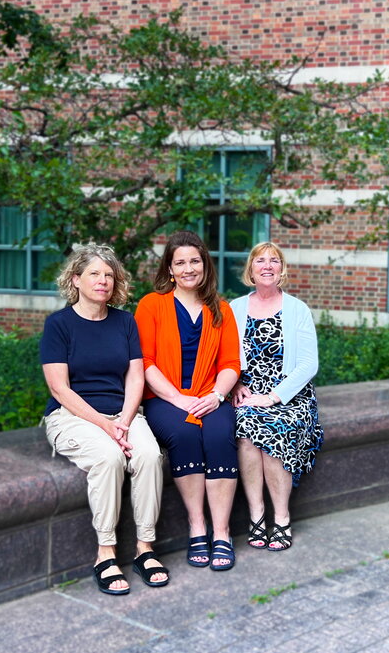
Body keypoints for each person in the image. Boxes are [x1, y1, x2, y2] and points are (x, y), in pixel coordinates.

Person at [40, 244, 168, 596]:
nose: (103, 280)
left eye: (109, 275)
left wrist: (125, 420)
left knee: (148, 456)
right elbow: (59, 388)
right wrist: (104, 424)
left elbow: (135, 378)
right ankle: (106, 552)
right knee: (109, 458)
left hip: (124, 414)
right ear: (76, 279)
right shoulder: (59, 325)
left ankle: (145, 548)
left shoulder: (125, 322)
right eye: (95, 273)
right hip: (74, 416)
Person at [134, 231, 241, 571]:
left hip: (211, 396)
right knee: (184, 435)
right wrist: (178, 398)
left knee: (219, 435)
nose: (188, 268)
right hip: (165, 398)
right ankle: (198, 527)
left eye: (194, 261)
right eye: (180, 262)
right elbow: (144, 362)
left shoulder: (220, 309)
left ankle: (222, 533)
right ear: (169, 269)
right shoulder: (152, 304)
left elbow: (230, 364)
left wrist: (216, 396)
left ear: (205, 265)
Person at [230, 242, 323, 551]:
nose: (267, 266)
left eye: (274, 261)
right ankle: (257, 515)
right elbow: (224, 358)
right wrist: (233, 386)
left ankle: (281, 517)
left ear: (282, 269)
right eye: (260, 261)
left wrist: (273, 397)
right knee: (245, 425)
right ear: (251, 270)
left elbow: (309, 364)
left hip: (290, 396)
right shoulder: (234, 308)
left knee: (272, 430)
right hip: (249, 393)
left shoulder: (297, 309)